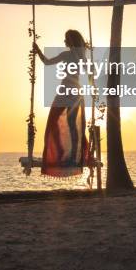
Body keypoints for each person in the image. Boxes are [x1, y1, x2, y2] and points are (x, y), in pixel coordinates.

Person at [34, 30, 90, 177]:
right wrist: (38, 51)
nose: (64, 41)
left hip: (72, 92)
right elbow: (47, 62)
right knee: (56, 121)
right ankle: (62, 152)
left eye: (66, 39)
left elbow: (89, 71)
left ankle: (73, 156)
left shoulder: (79, 56)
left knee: (73, 126)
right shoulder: (68, 55)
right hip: (67, 91)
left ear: (70, 41)